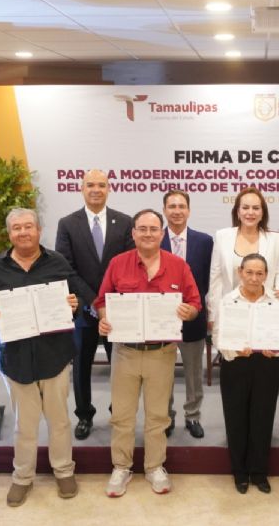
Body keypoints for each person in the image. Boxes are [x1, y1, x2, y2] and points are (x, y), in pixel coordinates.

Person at [0, 208, 83, 507]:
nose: (23, 232)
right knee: (24, 424)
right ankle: (22, 477)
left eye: (28, 227)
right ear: (9, 233)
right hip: (16, 359)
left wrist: (74, 304)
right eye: (16, 228)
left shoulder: (57, 262)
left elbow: (76, 297)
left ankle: (64, 471)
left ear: (38, 230)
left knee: (59, 420)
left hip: (55, 356)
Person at [94, 209, 201, 497]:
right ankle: (121, 467)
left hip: (162, 353)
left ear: (162, 233)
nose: (148, 234)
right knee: (122, 415)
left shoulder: (178, 265)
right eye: (142, 229)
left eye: (154, 229)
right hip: (125, 352)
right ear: (133, 233)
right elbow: (102, 299)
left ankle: (155, 467)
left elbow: (194, 304)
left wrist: (188, 311)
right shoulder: (119, 263)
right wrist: (104, 318)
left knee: (157, 415)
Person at [55, 168, 134, 440]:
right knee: (81, 366)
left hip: (116, 309)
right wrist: (93, 301)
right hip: (83, 309)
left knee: (121, 366)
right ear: (82, 188)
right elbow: (66, 268)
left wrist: (108, 302)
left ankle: (118, 412)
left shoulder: (124, 222)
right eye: (91, 185)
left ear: (109, 189)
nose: (96, 189)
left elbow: (128, 267)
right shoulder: (67, 223)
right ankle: (84, 415)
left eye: (101, 185)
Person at [214, 253, 279, 494]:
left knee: (262, 418)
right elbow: (218, 334)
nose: (254, 277)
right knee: (236, 419)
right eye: (249, 272)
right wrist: (233, 349)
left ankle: (259, 472)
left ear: (266, 276)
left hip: (266, 365)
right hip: (235, 365)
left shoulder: (276, 301)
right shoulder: (228, 301)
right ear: (240, 272)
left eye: (260, 273)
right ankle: (239, 472)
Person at [161, 190, 213, 439]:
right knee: (164, 374)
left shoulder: (204, 242)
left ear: (189, 210)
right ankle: (166, 416)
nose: (177, 210)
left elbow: (208, 281)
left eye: (182, 206)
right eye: (172, 206)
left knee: (194, 373)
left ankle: (193, 416)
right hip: (161, 320)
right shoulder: (153, 239)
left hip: (194, 317)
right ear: (164, 210)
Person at [208, 187, 279, 334]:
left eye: (256, 208)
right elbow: (216, 278)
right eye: (245, 207)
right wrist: (213, 314)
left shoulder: (275, 239)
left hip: (265, 310)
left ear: (262, 213)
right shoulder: (222, 236)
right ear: (238, 212)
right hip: (231, 312)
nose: (250, 212)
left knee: (265, 355)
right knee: (233, 355)